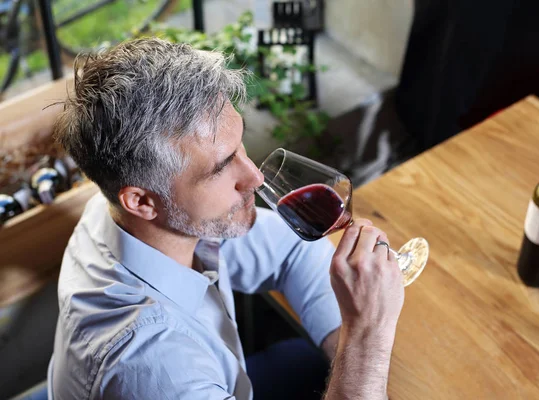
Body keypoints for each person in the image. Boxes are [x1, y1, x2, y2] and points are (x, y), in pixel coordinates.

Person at [48, 38, 405, 400]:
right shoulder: (153, 366)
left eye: (239, 145)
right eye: (220, 168)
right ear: (141, 201)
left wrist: (346, 351)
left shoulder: (135, 214)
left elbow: (291, 253)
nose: (255, 177)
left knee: (307, 360)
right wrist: (364, 337)